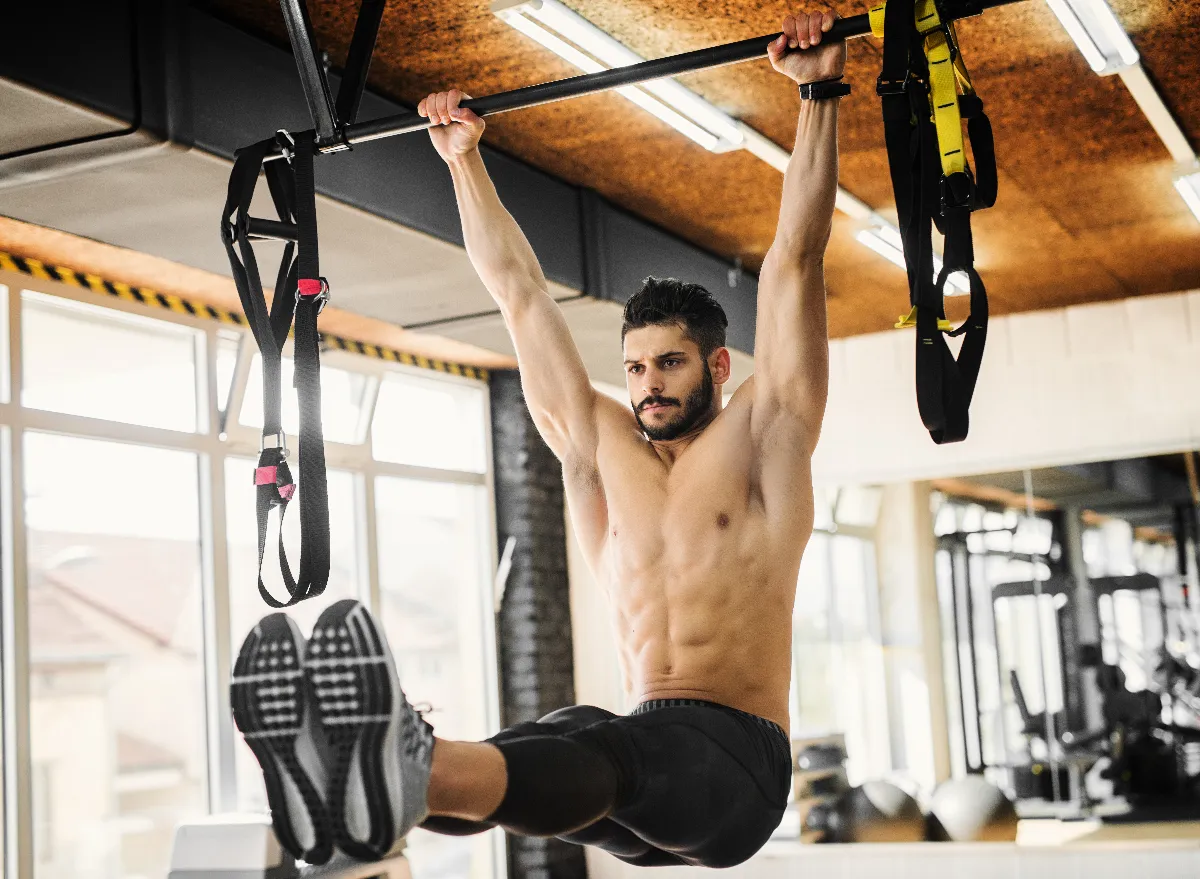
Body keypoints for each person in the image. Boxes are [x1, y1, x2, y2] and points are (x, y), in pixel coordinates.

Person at [234, 9, 845, 868]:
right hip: (638, 759)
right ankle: (357, 804)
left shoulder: (766, 436)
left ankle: (399, 771)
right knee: (560, 733)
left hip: (735, 768)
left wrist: (820, 93)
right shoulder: (596, 446)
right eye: (634, 367)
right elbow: (520, 295)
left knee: (600, 750)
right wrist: (463, 161)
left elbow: (796, 258)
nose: (648, 384)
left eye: (669, 364)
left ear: (718, 366)